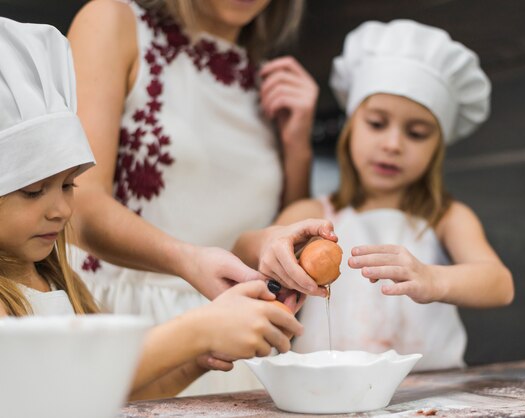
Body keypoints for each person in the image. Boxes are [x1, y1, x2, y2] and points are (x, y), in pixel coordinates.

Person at [0, 16, 303, 400]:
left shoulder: (57, 281)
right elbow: (54, 392)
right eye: (32, 191)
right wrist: (199, 330)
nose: (62, 209)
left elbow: (112, 393)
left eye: (68, 185)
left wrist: (199, 357)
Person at [234, 20, 515, 371]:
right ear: (350, 128)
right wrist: (270, 247)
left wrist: (434, 279)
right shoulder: (313, 212)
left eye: (416, 133)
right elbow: (243, 248)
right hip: (330, 392)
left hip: (431, 394)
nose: (392, 144)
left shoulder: (445, 216)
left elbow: (499, 284)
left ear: (437, 148)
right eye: (377, 124)